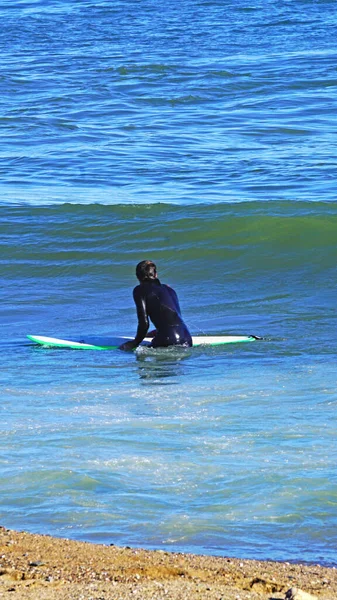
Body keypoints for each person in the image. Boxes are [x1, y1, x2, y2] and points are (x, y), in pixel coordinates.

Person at [119, 260, 192, 351]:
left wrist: (135, 342)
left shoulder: (139, 290)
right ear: (155, 274)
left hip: (166, 341)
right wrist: (156, 332)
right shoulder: (169, 289)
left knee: (123, 353)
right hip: (186, 338)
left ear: (137, 277)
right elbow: (172, 318)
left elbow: (144, 323)